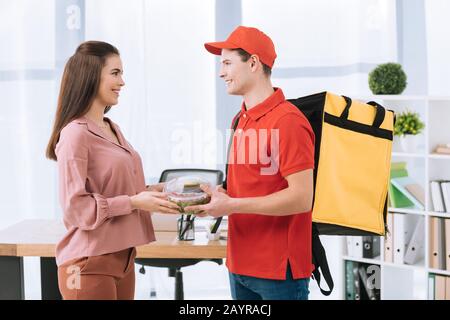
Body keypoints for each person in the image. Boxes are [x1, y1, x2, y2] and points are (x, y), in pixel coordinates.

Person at [186, 26, 315, 300]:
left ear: (254, 63)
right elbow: (249, 186)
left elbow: (302, 197)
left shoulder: (288, 121)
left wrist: (232, 205)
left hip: (279, 272)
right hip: (239, 264)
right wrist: (218, 196)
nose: (221, 73)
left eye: (227, 63)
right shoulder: (240, 119)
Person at [45, 41, 180, 300]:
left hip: (123, 258)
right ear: (91, 76)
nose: (122, 82)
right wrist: (132, 202)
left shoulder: (111, 127)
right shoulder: (75, 134)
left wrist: (158, 191)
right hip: (86, 264)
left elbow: (119, 190)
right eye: (115, 73)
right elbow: (75, 208)